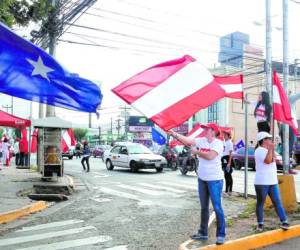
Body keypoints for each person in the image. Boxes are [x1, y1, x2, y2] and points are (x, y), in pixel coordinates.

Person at [169, 123, 226, 245]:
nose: (205, 130)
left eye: (207, 129)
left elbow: (211, 156)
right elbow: (188, 141)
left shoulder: (218, 143)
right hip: (202, 179)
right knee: (204, 207)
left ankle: (221, 235)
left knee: (217, 207)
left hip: (215, 180)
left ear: (213, 131)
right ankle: (203, 232)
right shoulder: (201, 140)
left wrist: (197, 152)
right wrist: (175, 134)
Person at [254, 132, 289, 232]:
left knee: (277, 201)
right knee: (260, 203)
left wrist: (272, 149)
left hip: (272, 181)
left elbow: (277, 161)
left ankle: (284, 221)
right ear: (263, 140)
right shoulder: (259, 151)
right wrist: (270, 149)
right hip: (261, 182)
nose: (271, 140)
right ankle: (260, 224)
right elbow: (268, 161)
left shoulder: (268, 149)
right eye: (269, 138)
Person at [222, 131, 234, 196]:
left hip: (228, 159)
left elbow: (230, 153)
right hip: (224, 159)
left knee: (228, 175)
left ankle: (229, 191)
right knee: (226, 175)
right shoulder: (224, 142)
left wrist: (229, 163)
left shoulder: (230, 142)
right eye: (224, 134)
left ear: (228, 135)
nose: (224, 136)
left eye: (225, 135)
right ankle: (227, 190)